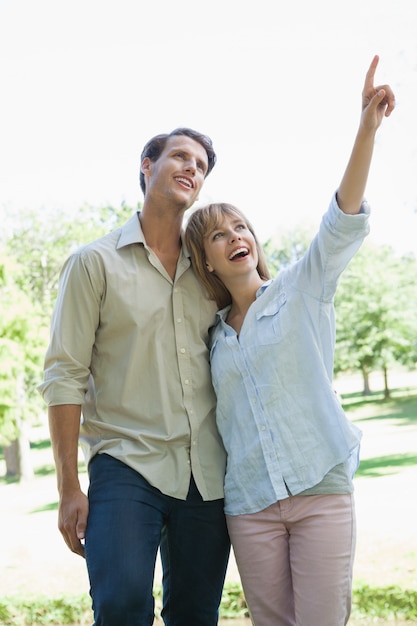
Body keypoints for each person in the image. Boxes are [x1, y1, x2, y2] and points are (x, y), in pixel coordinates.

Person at [184, 56, 395, 626]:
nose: (235, 238)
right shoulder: (209, 337)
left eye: (241, 227)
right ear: (203, 259)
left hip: (319, 485)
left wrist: (365, 130)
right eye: (218, 235)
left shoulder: (303, 288)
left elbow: (341, 217)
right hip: (249, 505)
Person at [38, 127, 231, 626]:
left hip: (205, 472)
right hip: (126, 463)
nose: (192, 168)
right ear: (147, 165)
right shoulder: (93, 263)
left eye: (202, 167)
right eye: (180, 157)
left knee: (195, 614)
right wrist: (68, 487)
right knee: (121, 605)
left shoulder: (212, 272)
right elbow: (64, 375)